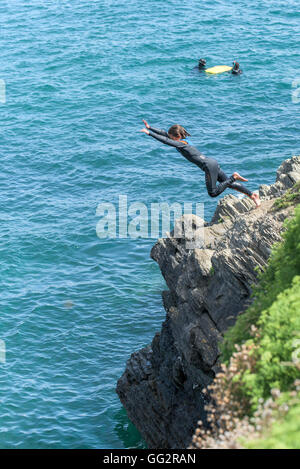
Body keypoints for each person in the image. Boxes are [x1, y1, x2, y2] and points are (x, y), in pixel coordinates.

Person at [140, 120, 261, 207]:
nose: (170, 138)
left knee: (213, 193)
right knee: (226, 184)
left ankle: (234, 177)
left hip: (208, 166)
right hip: (212, 162)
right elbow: (165, 134)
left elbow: (166, 141)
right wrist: (150, 127)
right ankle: (253, 195)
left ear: (176, 137)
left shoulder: (182, 144)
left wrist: (150, 134)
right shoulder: (184, 140)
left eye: (172, 137)